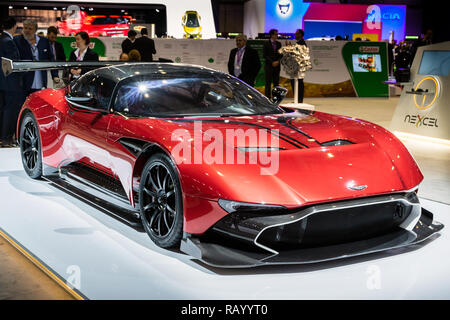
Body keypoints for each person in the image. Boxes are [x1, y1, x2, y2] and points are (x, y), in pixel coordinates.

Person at [14, 20, 60, 96]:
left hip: (40, 79)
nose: (27, 31)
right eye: (25, 28)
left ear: (35, 30)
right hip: (23, 81)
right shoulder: (17, 40)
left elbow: (51, 58)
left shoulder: (44, 41)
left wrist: (55, 75)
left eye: (30, 28)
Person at [0, 17, 22, 147]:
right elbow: (13, 64)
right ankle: (7, 139)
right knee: (10, 110)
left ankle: (3, 138)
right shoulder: (8, 41)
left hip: (3, 83)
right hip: (10, 83)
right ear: (14, 26)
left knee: (3, 110)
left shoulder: (1, 39)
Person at [263, 29, 282, 99]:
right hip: (269, 66)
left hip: (277, 66)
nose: (277, 36)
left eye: (277, 34)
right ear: (272, 35)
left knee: (276, 83)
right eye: (276, 34)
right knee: (268, 83)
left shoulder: (279, 44)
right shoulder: (266, 43)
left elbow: (281, 55)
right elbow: (264, 55)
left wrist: (277, 61)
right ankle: (267, 98)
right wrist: (272, 62)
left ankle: (275, 98)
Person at [290, 29, 306, 103]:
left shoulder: (302, 43)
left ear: (300, 35)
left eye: (296, 33)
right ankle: (297, 99)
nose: (295, 35)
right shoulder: (298, 43)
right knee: (296, 82)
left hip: (298, 67)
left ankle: (299, 100)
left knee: (298, 83)